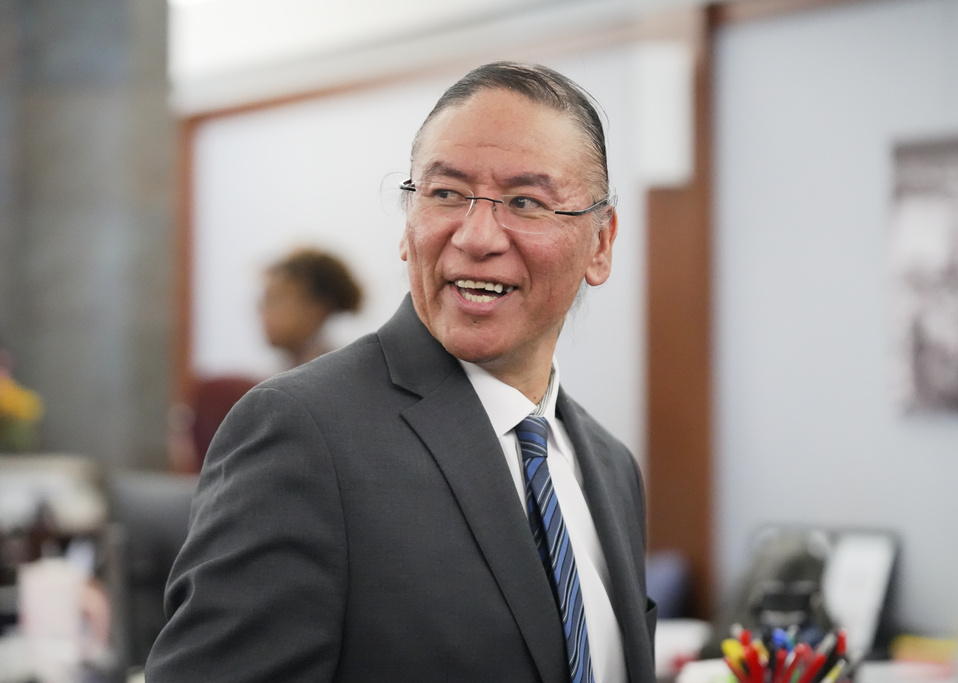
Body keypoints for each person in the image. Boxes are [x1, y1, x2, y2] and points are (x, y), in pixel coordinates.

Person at [146, 61, 656, 683]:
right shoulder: (305, 435)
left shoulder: (608, 466)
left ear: (600, 244)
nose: (475, 235)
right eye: (446, 194)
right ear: (408, 229)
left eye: (525, 201)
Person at [259, 247, 363, 368]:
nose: (263, 311)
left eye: (275, 300)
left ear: (317, 309)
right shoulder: (275, 373)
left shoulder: (343, 371)